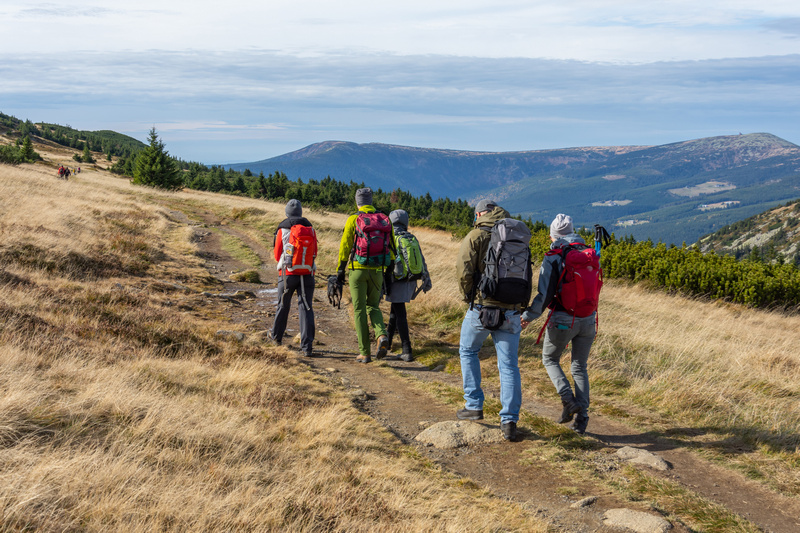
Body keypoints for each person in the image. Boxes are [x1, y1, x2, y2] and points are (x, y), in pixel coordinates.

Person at [521, 214, 597, 435]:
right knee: (579, 367)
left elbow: (544, 295)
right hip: (588, 319)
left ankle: (568, 400)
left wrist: (527, 316)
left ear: (553, 235)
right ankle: (581, 418)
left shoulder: (555, 255)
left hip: (563, 319)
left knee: (549, 359)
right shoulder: (588, 252)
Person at [456, 199, 525, 442]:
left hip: (482, 308)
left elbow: (464, 268)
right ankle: (509, 421)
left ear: (480, 214)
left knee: (468, 351)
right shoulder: (517, 234)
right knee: (508, 366)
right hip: (511, 310)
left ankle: (474, 405)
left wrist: (469, 298)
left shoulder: (476, 234)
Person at [337, 188, 394, 363]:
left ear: (357, 202)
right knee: (374, 307)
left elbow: (345, 246)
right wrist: (388, 271)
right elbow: (392, 247)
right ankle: (381, 335)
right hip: (377, 271)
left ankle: (365, 352)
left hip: (357, 270)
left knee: (360, 309)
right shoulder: (384, 219)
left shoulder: (354, 219)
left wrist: (340, 269)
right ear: (371, 201)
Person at [269, 199, 316, 357]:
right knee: (306, 307)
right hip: (307, 275)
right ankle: (307, 346)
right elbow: (315, 252)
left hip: (287, 274)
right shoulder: (310, 229)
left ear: (287, 213)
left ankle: (276, 338)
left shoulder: (282, 230)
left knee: (283, 305)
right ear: (301, 212)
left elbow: (277, 256)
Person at [384, 209, 432, 362]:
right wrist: (426, 280)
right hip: (411, 280)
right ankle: (388, 343)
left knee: (400, 314)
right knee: (395, 311)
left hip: (396, 280)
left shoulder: (392, 238)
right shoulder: (411, 238)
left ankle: (407, 350)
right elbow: (422, 261)